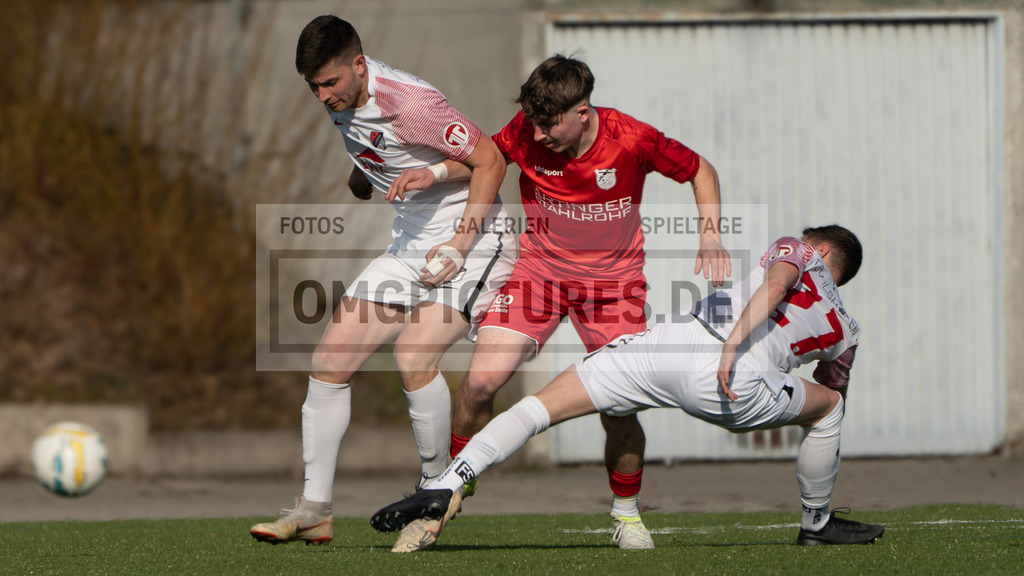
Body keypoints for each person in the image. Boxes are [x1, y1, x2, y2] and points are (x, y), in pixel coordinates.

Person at [381, 55, 731, 552]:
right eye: (535, 124)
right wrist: (435, 172)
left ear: (583, 111)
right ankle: (446, 493)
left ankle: (627, 515)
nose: (539, 135)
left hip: (614, 289)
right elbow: (487, 158)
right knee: (479, 384)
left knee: (620, 407)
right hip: (539, 277)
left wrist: (710, 237)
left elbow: (700, 170)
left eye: (550, 124)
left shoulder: (631, 138)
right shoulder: (526, 131)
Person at [371, 225, 886, 548]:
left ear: (820, 248)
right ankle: (815, 523)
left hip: (671, 345)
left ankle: (445, 483)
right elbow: (827, 392)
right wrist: (778, 394)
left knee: (537, 409)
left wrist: (733, 346)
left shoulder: (799, 249)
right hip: (734, 390)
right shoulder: (851, 331)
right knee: (831, 408)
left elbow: (776, 284)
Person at [249, 15, 516, 545]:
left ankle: (436, 491)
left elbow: (490, 159)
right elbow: (379, 143)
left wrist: (461, 245)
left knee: (414, 355)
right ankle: (313, 510)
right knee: (330, 360)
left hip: (474, 239)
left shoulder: (410, 103)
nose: (323, 97)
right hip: (409, 244)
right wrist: (364, 172)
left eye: (330, 83)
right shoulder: (344, 99)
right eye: (313, 87)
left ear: (359, 64)